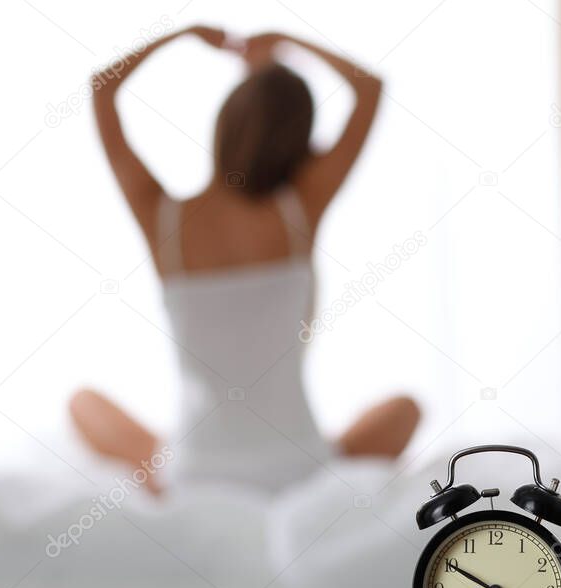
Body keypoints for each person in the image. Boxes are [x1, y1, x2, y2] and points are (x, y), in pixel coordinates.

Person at [70, 26, 420, 494]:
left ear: (223, 123)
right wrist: (287, 41)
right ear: (298, 142)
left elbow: (103, 88)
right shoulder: (301, 206)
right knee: (406, 408)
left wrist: (180, 35)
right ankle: (316, 456)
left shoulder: (162, 218)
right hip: (298, 468)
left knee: (82, 403)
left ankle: (158, 474)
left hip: (195, 472)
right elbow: (369, 88)